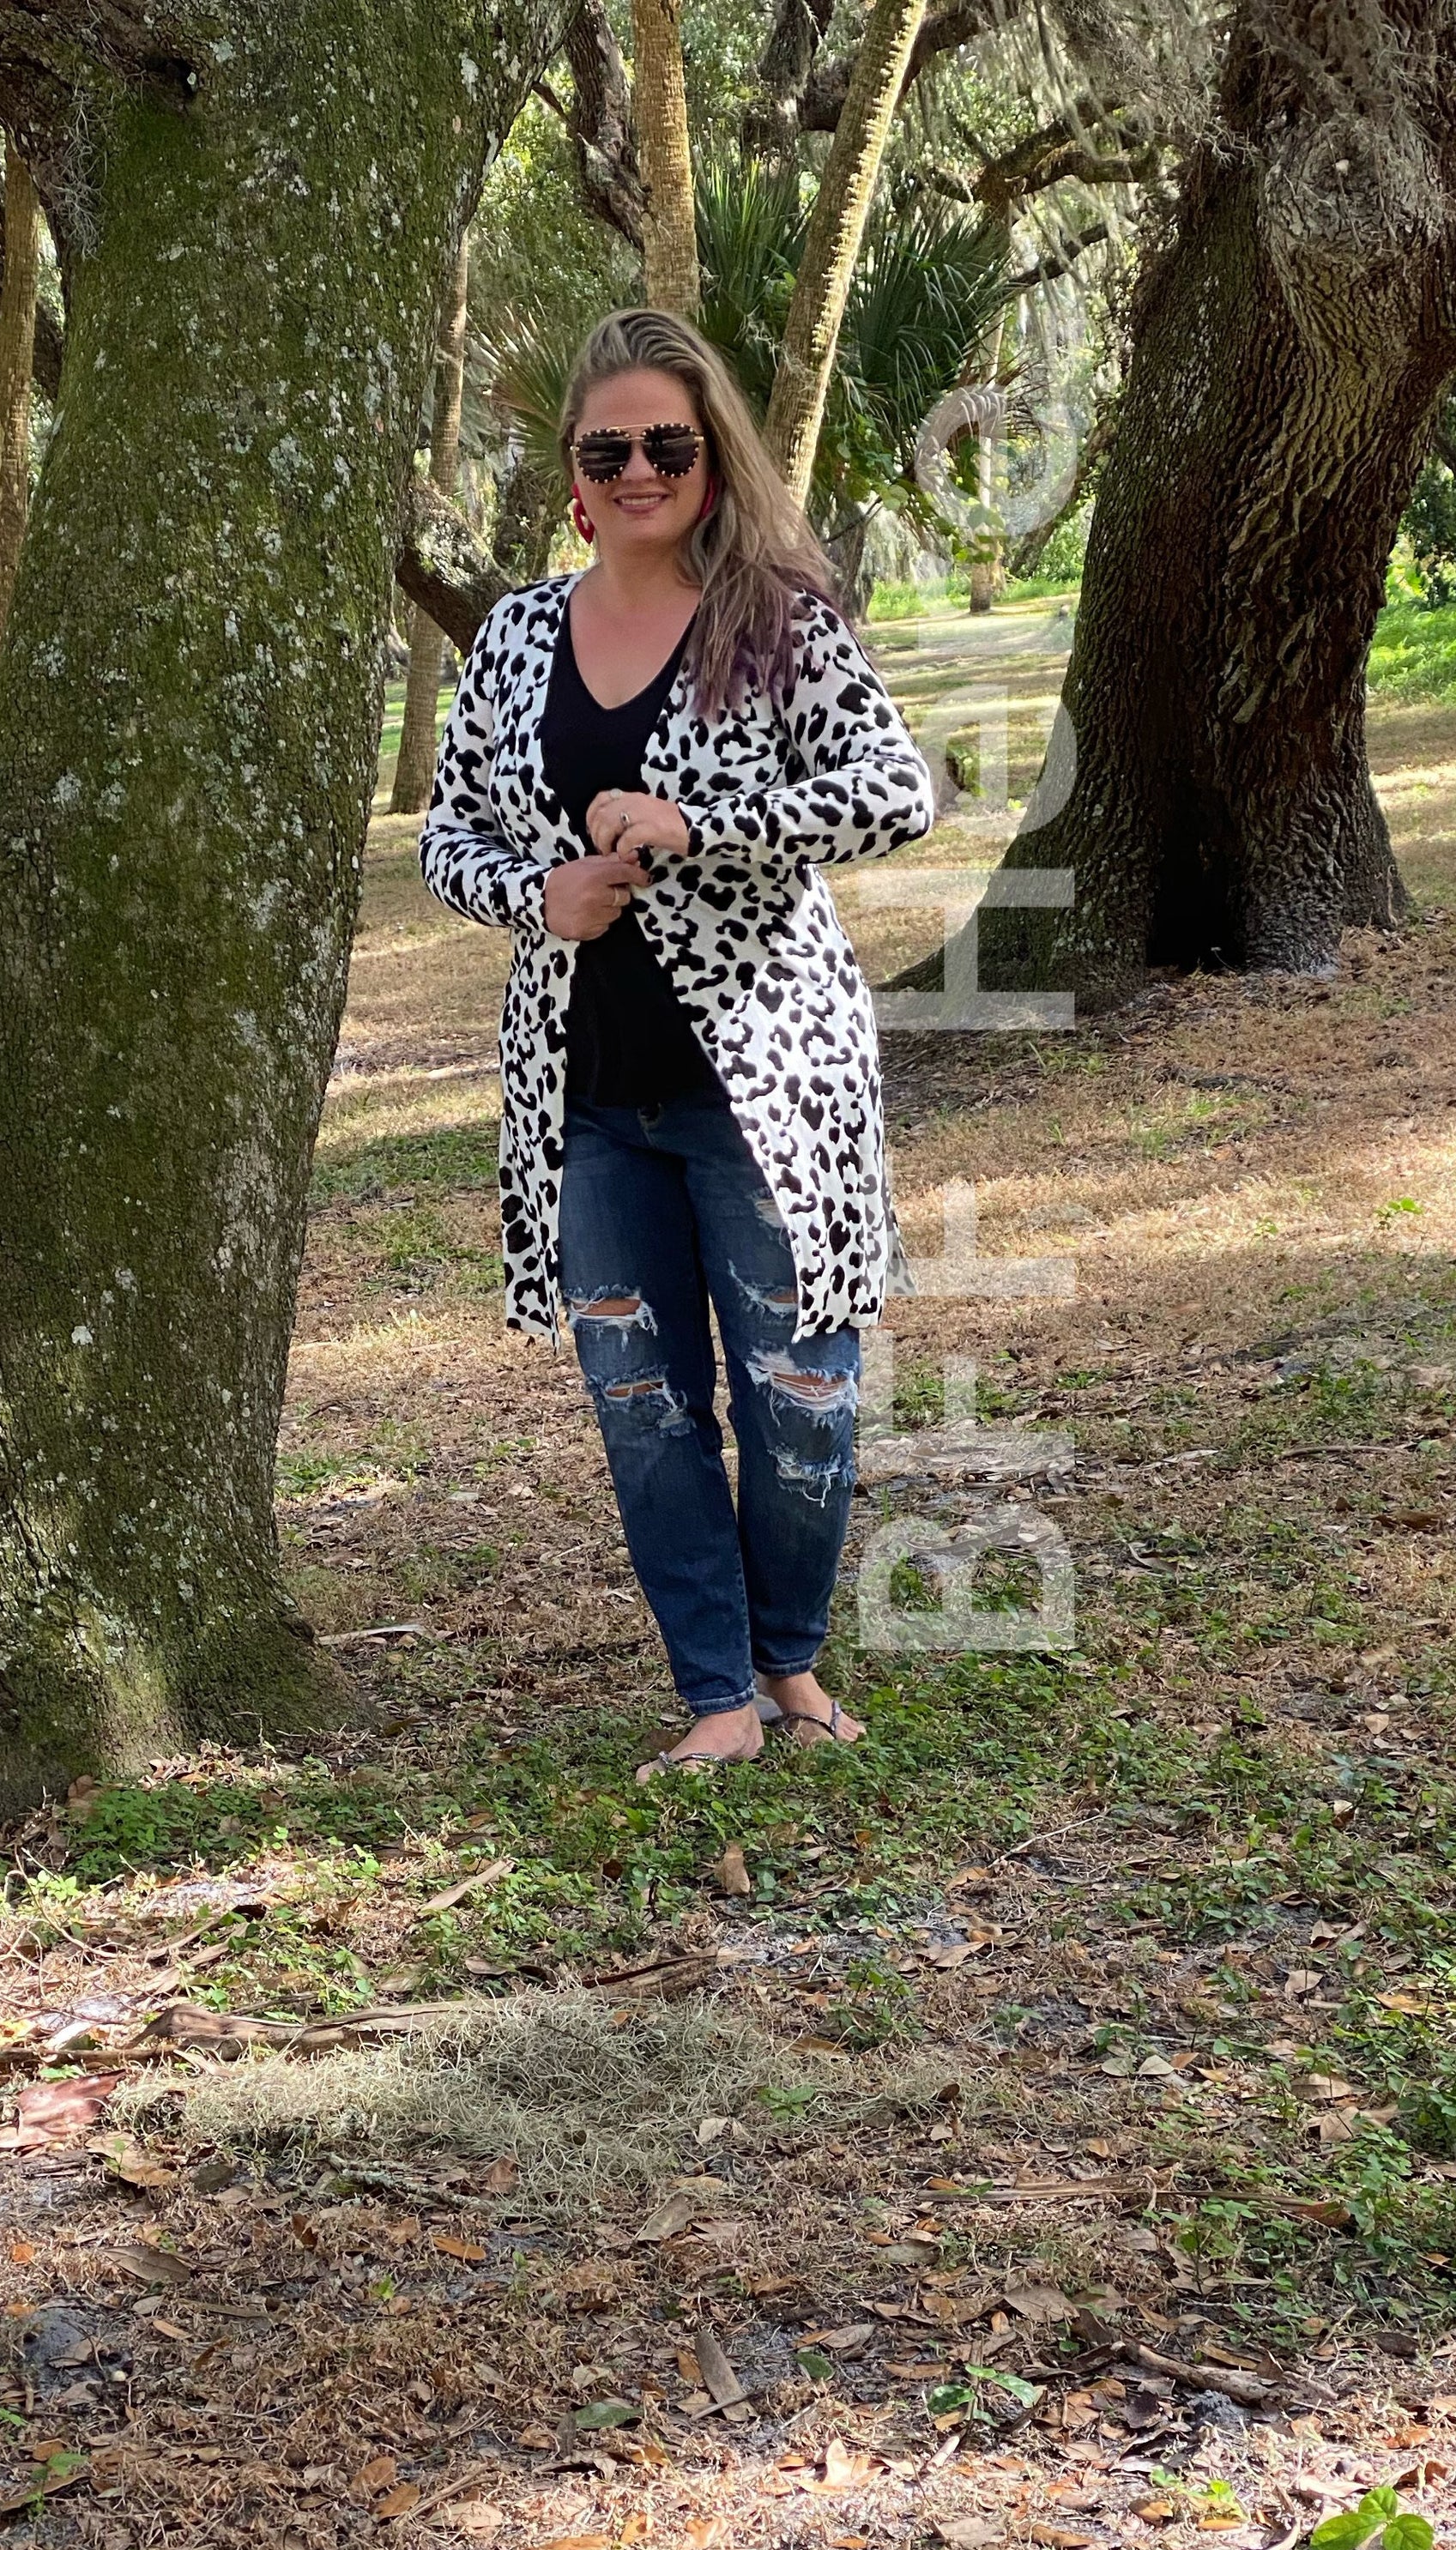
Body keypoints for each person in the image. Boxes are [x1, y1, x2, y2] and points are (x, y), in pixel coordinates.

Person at [419, 310, 934, 1779]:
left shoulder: (776, 621)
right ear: (574, 477)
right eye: (608, 449)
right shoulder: (517, 636)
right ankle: (714, 1692)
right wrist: (540, 894)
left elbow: (896, 793)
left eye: (668, 444)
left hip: (767, 1088)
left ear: (712, 461)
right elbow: (446, 832)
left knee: (801, 1396)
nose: (639, 469)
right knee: (644, 1411)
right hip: (584, 1102)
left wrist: (701, 828)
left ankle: (789, 1662)